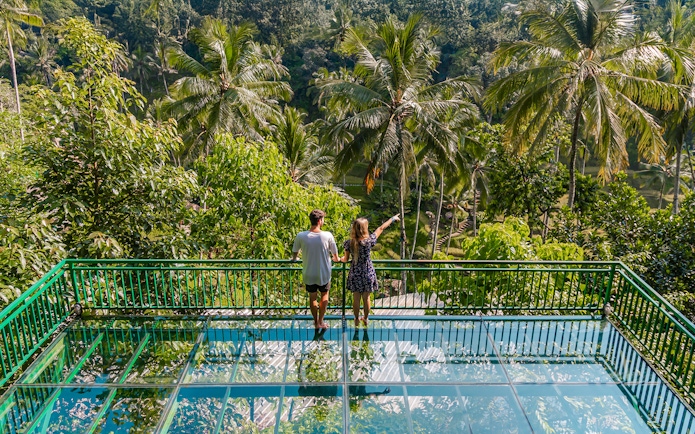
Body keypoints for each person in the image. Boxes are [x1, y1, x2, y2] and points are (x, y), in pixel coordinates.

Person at [341, 214, 400, 327]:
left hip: (355, 272)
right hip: (368, 271)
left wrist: (338, 259)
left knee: (356, 298)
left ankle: (356, 318)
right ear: (365, 228)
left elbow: (345, 259)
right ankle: (366, 318)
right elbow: (381, 228)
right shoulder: (369, 241)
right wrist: (392, 219)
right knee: (366, 298)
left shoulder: (350, 243)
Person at [292, 209, 340, 329]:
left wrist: (295, 259)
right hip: (323, 273)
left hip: (309, 273)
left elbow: (294, 253)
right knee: (324, 295)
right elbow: (335, 254)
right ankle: (321, 321)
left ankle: (315, 322)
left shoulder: (301, 236)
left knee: (312, 297)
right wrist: (337, 259)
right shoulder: (327, 235)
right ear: (320, 221)